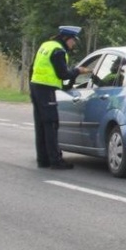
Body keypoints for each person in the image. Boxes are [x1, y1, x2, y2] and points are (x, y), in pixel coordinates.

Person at [29, 26, 90, 169]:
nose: (74, 44)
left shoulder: (46, 45)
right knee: (51, 124)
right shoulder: (59, 51)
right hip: (46, 89)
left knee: (41, 125)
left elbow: (32, 68)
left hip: (36, 87)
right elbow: (63, 74)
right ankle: (55, 161)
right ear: (66, 38)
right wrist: (77, 71)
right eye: (73, 41)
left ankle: (42, 160)